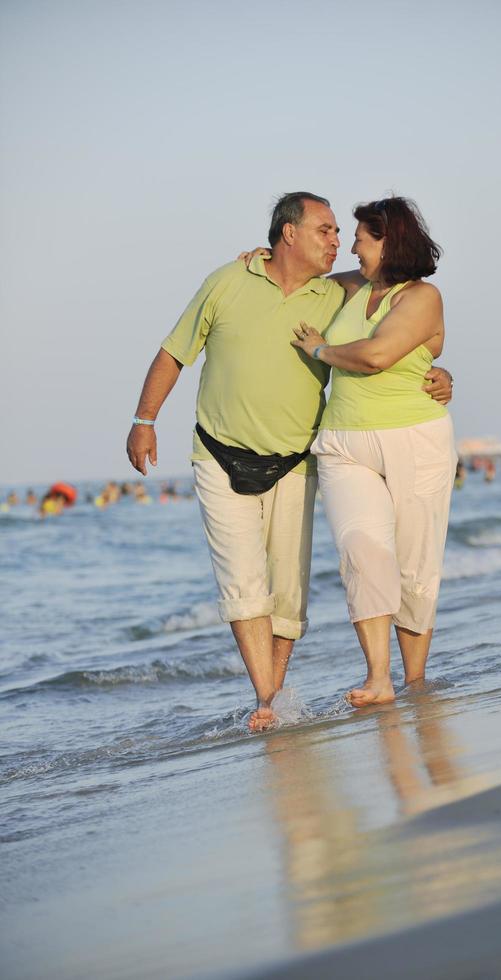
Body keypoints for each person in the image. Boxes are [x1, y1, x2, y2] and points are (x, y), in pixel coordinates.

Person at [126, 192, 453, 731]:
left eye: (344, 233)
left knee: (291, 592)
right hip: (225, 449)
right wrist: (144, 420)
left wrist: (442, 375)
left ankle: (294, 692)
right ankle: (270, 699)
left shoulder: (336, 294)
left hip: (300, 458)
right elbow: (174, 351)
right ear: (289, 234)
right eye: (325, 230)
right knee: (251, 578)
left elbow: (403, 329)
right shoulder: (229, 281)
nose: (338, 241)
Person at [291, 196, 457, 707]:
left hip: (416, 439)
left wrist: (319, 350)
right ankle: (379, 678)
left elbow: (380, 355)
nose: (350, 245)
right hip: (344, 442)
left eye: (360, 237)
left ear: (387, 240)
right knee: (362, 554)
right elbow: (305, 277)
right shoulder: (352, 287)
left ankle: (413, 681)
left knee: (414, 565)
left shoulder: (422, 296)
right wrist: (263, 255)